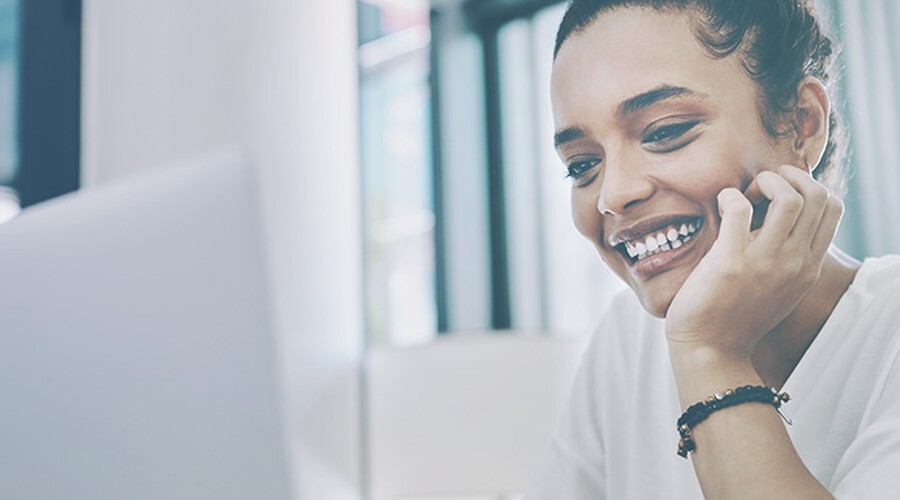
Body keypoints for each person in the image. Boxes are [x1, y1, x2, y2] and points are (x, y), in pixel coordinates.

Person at [524, 1, 900, 498]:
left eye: (664, 131)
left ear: (800, 124)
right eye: (581, 166)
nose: (613, 194)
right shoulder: (627, 339)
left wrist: (710, 353)